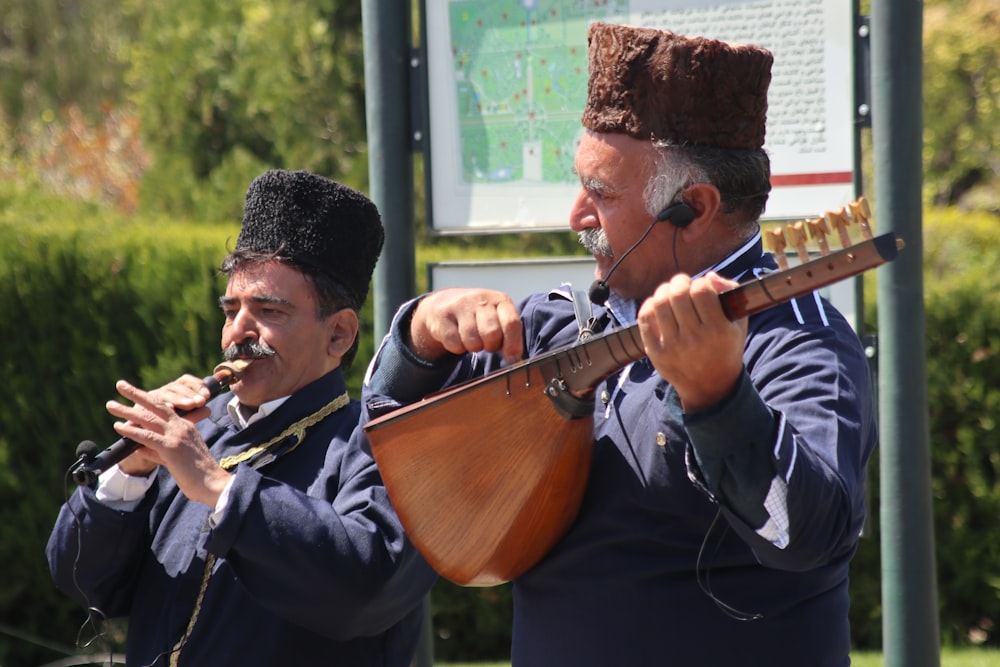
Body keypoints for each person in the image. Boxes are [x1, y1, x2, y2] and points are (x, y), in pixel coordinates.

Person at [363, 22, 877, 667]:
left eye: (602, 193)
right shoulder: (553, 324)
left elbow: (803, 537)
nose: (576, 214)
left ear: (694, 206)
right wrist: (420, 336)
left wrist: (717, 396)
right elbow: (388, 450)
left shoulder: (802, 342)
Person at [48, 169, 436, 666]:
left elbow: (369, 586)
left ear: (338, 334)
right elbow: (81, 581)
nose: (238, 333)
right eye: (230, 310)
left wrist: (217, 484)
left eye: (269, 311)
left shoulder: (383, 445)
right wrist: (132, 471)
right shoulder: (191, 438)